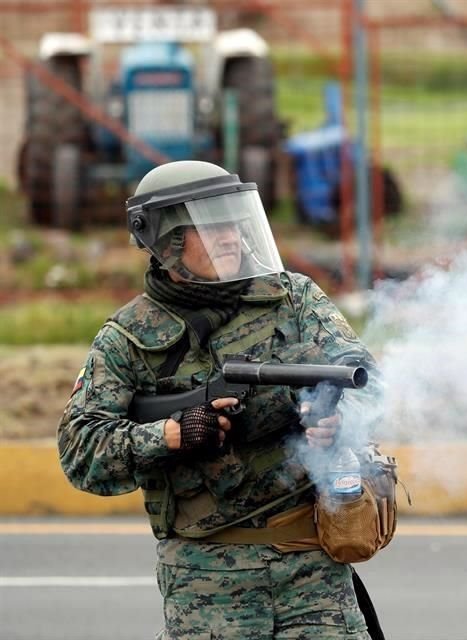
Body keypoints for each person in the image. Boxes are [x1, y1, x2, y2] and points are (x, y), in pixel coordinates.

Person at [57, 160, 386, 639]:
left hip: (312, 567)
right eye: (212, 227)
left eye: (235, 221)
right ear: (167, 240)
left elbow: (365, 380)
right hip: (205, 583)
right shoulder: (128, 337)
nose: (231, 236)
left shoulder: (292, 299)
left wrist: (337, 421)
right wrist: (171, 434)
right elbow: (80, 451)